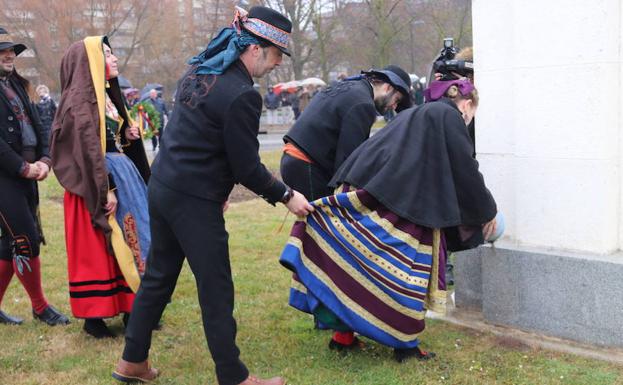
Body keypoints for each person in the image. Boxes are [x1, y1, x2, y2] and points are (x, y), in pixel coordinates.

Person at [113, 6, 313, 385]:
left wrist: (215, 188)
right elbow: (247, 168)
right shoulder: (242, 94)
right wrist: (287, 195)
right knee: (215, 286)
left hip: (164, 187)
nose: (276, 66)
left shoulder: (200, 70)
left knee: (158, 276)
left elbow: (199, 138)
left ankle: (132, 361)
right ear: (255, 49)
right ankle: (233, 376)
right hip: (192, 199)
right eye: (275, 57)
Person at [280, 79, 497, 362]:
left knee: (350, 267)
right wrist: (487, 210)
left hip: (365, 190)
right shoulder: (449, 116)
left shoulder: (415, 113)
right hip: (399, 207)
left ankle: (342, 336)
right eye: (471, 115)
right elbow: (465, 168)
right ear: (467, 105)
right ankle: (405, 346)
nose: (468, 121)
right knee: (404, 276)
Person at [50, 36, 151, 338]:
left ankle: (135, 308)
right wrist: (105, 187)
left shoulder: (103, 95)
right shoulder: (78, 102)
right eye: (107, 54)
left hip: (118, 176)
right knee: (99, 249)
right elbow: (85, 148)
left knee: (132, 239)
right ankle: (95, 317)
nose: (114, 58)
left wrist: (128, 135)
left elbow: (108, 138)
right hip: (92, 185)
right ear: (90, 62)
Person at [0, 28, 70, 326]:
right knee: (26, 239)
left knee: (10, 243)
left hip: (26, 174)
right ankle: (40, 307)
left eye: (11, 50)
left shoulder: (17, 83)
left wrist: (44, 158)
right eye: (2, 51)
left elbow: (40, 124)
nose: (9, 55)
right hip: (6, 176)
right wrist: (22, 167)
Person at [280, 64, 412, 202]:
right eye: (397, 100)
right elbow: (350, 160)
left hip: (294, 161)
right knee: (323, 221)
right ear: (388, 88)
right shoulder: (363, 103)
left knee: (315, 220)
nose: (394, 106)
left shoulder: (348, 87)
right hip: (307, 166)